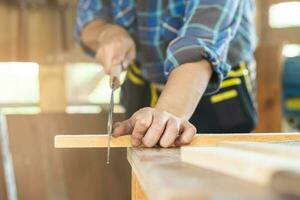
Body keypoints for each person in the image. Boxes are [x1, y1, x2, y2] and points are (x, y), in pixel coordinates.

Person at [75, 0, 257, 148]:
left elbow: (201, 44)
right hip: (145, 86)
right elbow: (91, 18)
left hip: (211, 86)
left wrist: (167, 115)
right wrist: (107, 33)